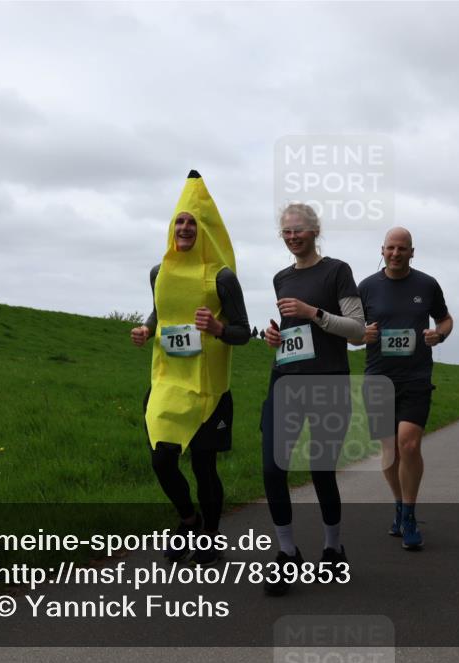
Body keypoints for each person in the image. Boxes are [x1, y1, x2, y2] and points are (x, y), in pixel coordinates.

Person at [130, 170, 250, 567]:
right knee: (161, 459)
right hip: (167, 379)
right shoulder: (158, 272)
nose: (184, 227)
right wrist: (147, 328)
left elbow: (242, 332)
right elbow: (160, 310)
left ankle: (209, 538)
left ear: (205, 231)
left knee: (203, 464)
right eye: (179, 221)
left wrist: (218, 328)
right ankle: (188, 520)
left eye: (192, 222)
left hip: (209, 388)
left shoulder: (222, 277)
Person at [261, 202, 365, 596]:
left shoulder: (337, 271)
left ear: (314, 231)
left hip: (328, 384)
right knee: (273, 468)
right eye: (286, 232)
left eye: (298, 230)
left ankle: (333, 547)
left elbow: (356, 330)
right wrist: (276, 337)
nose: (292, 237)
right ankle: (287, 554)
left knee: (322, 471)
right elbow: (294, 334)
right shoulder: (280, 278)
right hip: (285, 380)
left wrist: (313, 312)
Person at [352, 227, 452, 550]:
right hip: (378, 378)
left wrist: (440, 333)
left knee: (408, 445)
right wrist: (360, 334)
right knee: (389, 451)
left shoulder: (427, 284)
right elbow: (350, 330)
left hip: (416, 378)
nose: (395, 253)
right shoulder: (366, 288)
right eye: (390, 248)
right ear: (382, 250)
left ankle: (409, 515)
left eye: (402, 248)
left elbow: (446, 319)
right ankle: (398, 504)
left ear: (412, 252)